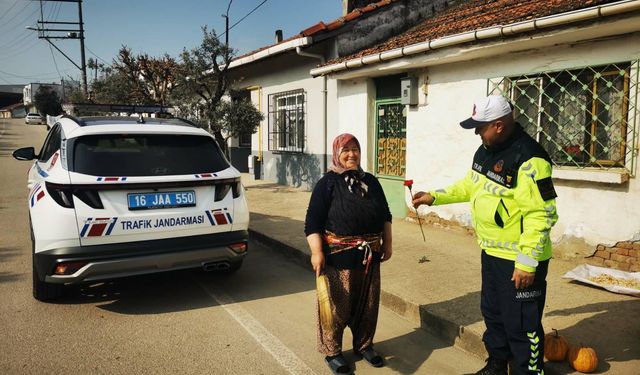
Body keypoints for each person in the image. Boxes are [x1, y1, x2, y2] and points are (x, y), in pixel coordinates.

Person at [412, 95, 558, 375]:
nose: (477, 133)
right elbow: (471, 185)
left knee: (522, 324)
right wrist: (435, 197)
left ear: (499, 125)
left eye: (481, 127)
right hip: (491, 253)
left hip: (520, 260)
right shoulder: (485, 151)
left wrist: (527, 261)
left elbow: (542, 215)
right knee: (494, 314)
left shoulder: (530, 159)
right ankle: (496, 364)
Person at [305, 133, 393, 375]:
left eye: (355, 149)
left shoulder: (371, 182)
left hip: (369, 256)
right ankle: (332, 352)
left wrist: (388, 244)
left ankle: (364, 345)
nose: (352, 154)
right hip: (338, 258)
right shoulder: (328, 183)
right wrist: (316, 252)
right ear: (337, 153)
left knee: (368, 304)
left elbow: (385, 214)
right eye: (346, 150)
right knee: (336, 307)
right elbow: (312, 221)